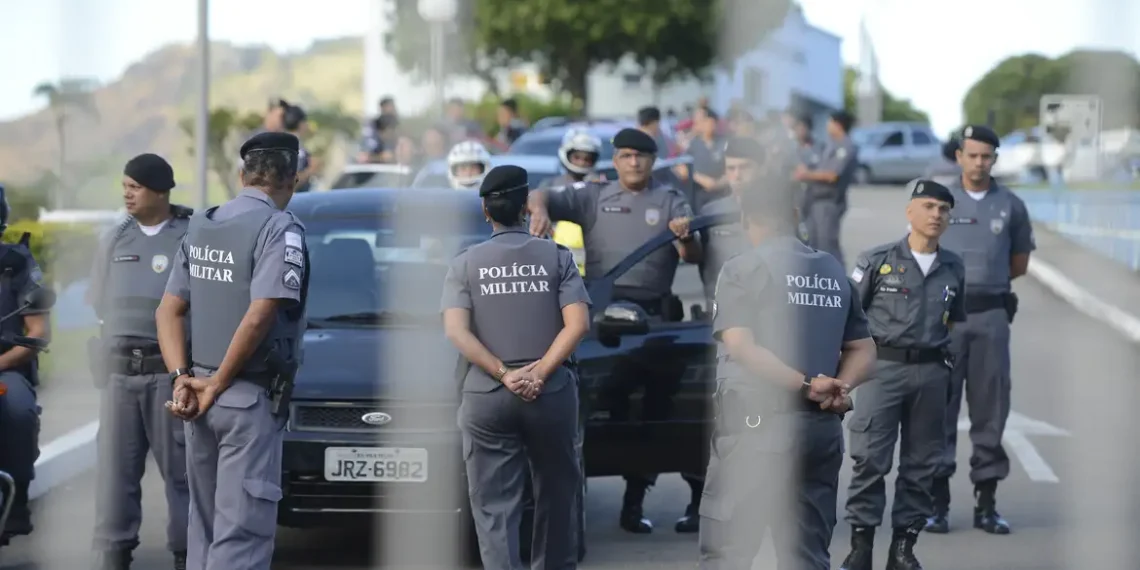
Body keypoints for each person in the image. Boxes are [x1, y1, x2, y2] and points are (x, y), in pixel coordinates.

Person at [528, 127, 703, 535]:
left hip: (656, 317)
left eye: (641, 156)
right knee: (612, 410)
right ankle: (614, 502)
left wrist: (685, 238)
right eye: (625, 155)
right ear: (616, 159)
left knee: (669, 410)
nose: (633, 162)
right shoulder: (595, 195)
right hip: (603, 315)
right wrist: (539, 210)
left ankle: (675, 502)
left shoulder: (671, 199)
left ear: (653, 160)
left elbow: (694, 255)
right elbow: (544, 194)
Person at [697, 182, 877, 570]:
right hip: (820, 431)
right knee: (807, 555)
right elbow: (865, 351)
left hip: (756, 428)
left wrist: (808, 386)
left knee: (728, 551)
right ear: (795, 217)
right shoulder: (832, 270)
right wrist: (837, 386)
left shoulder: (742, 269)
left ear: (747, 219)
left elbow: (743, 347)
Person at [157, 131, 309, 570]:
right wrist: (219, 381)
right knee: (241, 533)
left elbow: (167, 311)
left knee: (204, 526)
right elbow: (261, 314)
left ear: (242, 175)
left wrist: (181, 377)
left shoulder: (201, 223)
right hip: (244, 397)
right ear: (291, 180)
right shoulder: (280, 228)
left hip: (196, 398)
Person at [441, 165, 591, 570]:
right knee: (558, 494)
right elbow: (578, 325)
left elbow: (456, 332)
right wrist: (539, 373)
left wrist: (504, 374)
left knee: (493, 506)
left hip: (487, 396)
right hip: (552, 394)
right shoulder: (557, 256)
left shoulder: (465, 264)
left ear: (486, 212)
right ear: (527, 206)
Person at [839, 179, 967, 570]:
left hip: (931, 373)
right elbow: (849, 319)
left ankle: (903, 548)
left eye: (943, 209)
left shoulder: (953, 267)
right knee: (870, 460)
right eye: (928, 206)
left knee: (921, 465)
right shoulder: (877, 259)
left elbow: (954, 321)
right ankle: (860, 547)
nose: (936, 215)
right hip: (883, 370)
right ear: (910, 212)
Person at [926, 125, 1034, 536]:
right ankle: (937, 505)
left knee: (991, 409)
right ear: (958, 157)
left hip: (990, 319)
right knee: (940, 408)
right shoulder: (938, 202)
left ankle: (986, 505)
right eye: (972, 155)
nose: (979, 162)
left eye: (987, 156)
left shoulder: (1010, 204)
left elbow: (1019, 263)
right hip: (945, 320)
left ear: (994, 159)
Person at [86, 154, 193, 570]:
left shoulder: (190, 236)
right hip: (118, 377)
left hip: (168, 375)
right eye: (124, 185)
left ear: (161, 191)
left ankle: (186, 555)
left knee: (183, 474)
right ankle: (114, 553)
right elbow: (99, 304)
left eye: (135, 186)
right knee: (114, 473)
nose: (126, 193)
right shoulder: (115, 240)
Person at [0, 185, 49, 549]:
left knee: (17, 409)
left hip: (6, 367)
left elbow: (38, 332)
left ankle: (17, 502)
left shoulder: (16, 264)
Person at [698, 137, 763, 304]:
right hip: (722, 308)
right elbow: (699, 258)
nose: (737, 176)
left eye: (745, 168)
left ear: (761, 169)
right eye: (731, 169)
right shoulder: (711, 212)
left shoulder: (780, 210)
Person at [795, 111, 859, 267]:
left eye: (829, 122)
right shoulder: (831, 144)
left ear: (837, 124)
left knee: (827, 245)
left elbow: (832, 174)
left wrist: (806, 174)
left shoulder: (846, 146)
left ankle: (838, 282)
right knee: (813, 243)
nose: (827, 126)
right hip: (814, 202)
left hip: (828, 202)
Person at [675, 106, 729, 214]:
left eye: (703, 120)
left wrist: (718, 183)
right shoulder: (693, 145)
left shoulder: (724, 143)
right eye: (697, 121)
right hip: (700, 197)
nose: (698, 124)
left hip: (723, 196)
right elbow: (680, 168)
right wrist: (701, 179)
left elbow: (733, 165)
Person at [283, 105, 317, 193]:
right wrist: (311, 170)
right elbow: (290, 182)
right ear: (301, 124)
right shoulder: (294, 147)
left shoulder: (281, 142)